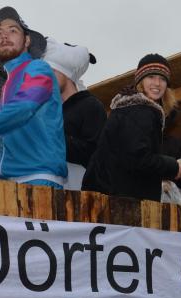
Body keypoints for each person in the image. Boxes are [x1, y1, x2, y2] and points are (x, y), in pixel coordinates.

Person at [0, 7, 66, 187]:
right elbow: (17, 136)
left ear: (27, 40)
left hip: (39, 178)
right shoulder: (8, 82)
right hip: (13, 181)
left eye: (13, 30)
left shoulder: (38, 68)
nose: (4, 36)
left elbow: (25, 106)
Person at [83, 54, 181, 200]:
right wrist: (173, 167)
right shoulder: (140, 111)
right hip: (121, 202)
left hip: (109, 196)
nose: (157, 83)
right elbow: (139, 159)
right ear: (140, 81)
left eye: (162, 79)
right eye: (151, 77)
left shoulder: (128, 108)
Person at [43, 40, 106, 190]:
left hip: (82, 195)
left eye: (51, 72)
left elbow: (95, 153)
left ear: (66, 73)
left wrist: (51, 137)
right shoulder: (49, 112)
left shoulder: (91, 106)